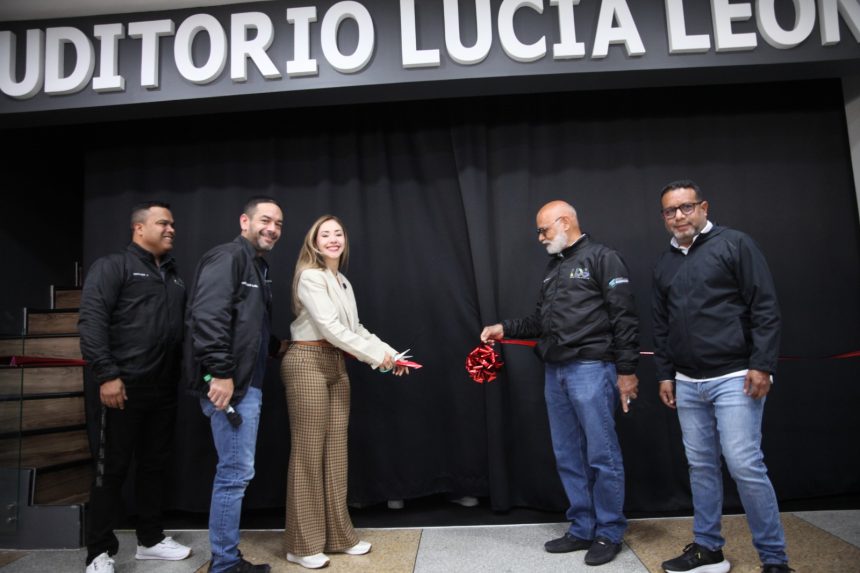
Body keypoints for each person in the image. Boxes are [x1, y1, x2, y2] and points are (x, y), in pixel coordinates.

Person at [480, 200, 639, 567]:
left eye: (544, 230)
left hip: (591, 369)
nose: (539, 238)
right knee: (568, 454)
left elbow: (625, 317)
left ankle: (609, 531)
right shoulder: (554, 269)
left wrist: (627, 371)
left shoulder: (603, 258)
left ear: (564, 222)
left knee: (602, 454)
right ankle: (582, 526)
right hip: (556, 372)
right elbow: (540, 322)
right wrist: (505, 328)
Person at [652, 180, 791, 573]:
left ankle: (775, 561)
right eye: (670, 211)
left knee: (745, 464)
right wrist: (665, 375)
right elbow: (660, 325)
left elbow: (765, 305)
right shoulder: (664, 262)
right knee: (700, 467)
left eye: (686, 207)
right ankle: (708, 549)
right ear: (663, 217)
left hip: (736, 376)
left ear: (703, 207)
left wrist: (763, 365)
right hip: (687, 383)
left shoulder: (736, 244)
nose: (679, 216)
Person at [282, 215, 409, 570]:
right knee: (309, 454)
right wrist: (376, 357)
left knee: (336, 453)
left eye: (338, 233)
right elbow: (331, 328)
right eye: (326, 234)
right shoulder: (310, 276)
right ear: (314, 242)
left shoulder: (342, 281)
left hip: (336, 363)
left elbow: (355, 328)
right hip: (307, 360)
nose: (333, 239)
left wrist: (392, 355)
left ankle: (339, 536)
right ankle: (301, 544)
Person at [78, 202, 191, 573]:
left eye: (173, 223)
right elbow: (92, 322)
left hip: (163, 390)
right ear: (139, 229)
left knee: (154, 467)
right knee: (111, 471)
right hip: (122, 387)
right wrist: (107, 375)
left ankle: (151, 540)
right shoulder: (113, 267)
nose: (171, 228)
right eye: (163, 223)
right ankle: (98, 551)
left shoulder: (174, 278)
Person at [185, 197, 284, 573]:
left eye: (277, 223)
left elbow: (247, 323)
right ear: (245, 220)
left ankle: (226, 559)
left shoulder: (257, 266)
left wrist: (277, 347)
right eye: (265, 220)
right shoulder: (228, 257)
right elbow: (207, 317)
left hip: (244, 383)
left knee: (235, 472)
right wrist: (221, 373)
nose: (272, 228)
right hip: (231, 387)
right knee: (234, 474)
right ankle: (225, 565)